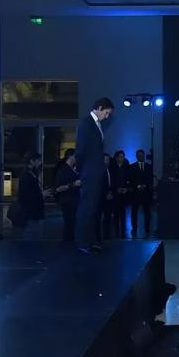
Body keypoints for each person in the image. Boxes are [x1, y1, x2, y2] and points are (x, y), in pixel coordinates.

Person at [75, 97, 113, 255]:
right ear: (99, 107)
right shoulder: (86, 123)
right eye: (107, 112)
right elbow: (81, 149)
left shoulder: (96, 124)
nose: (107, 116)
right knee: (86, 208)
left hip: (95, 172)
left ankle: (90, 240)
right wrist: (83, 171)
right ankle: (82, 242)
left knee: (93, 209)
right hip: (90, 173)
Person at [16, 152, 48, 240]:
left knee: (32, 234)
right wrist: (42, 194)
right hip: (31, 211)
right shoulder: (27, 175)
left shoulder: (29, 174)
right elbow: (26, 195)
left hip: (31, 211)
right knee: (32, 235)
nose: (40, 163)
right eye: (38, 160)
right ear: (32, 161)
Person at [54, 149, 81, 241]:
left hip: (72, 201)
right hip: (68, 201)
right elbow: (58, 188)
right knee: (69, 224)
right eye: (75, 156)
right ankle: (68, 244)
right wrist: (73, 184)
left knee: (71, 224)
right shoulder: (63, 170)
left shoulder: (71, 169)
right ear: (70, 156)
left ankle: (69, 244)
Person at [126, 149, 153, 238]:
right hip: (136, 193)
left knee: (147, 211)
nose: (141, 157)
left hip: (146, 193)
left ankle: (147, 228)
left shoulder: (149, 166)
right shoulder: (132, 167)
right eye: (139, 155)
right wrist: (137, 186)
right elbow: (130, 179)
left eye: (142, 155)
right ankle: (134, 228)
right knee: (134, 212)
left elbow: (150, 178)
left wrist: (145, 185)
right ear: (137, 156)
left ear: (144, 156)